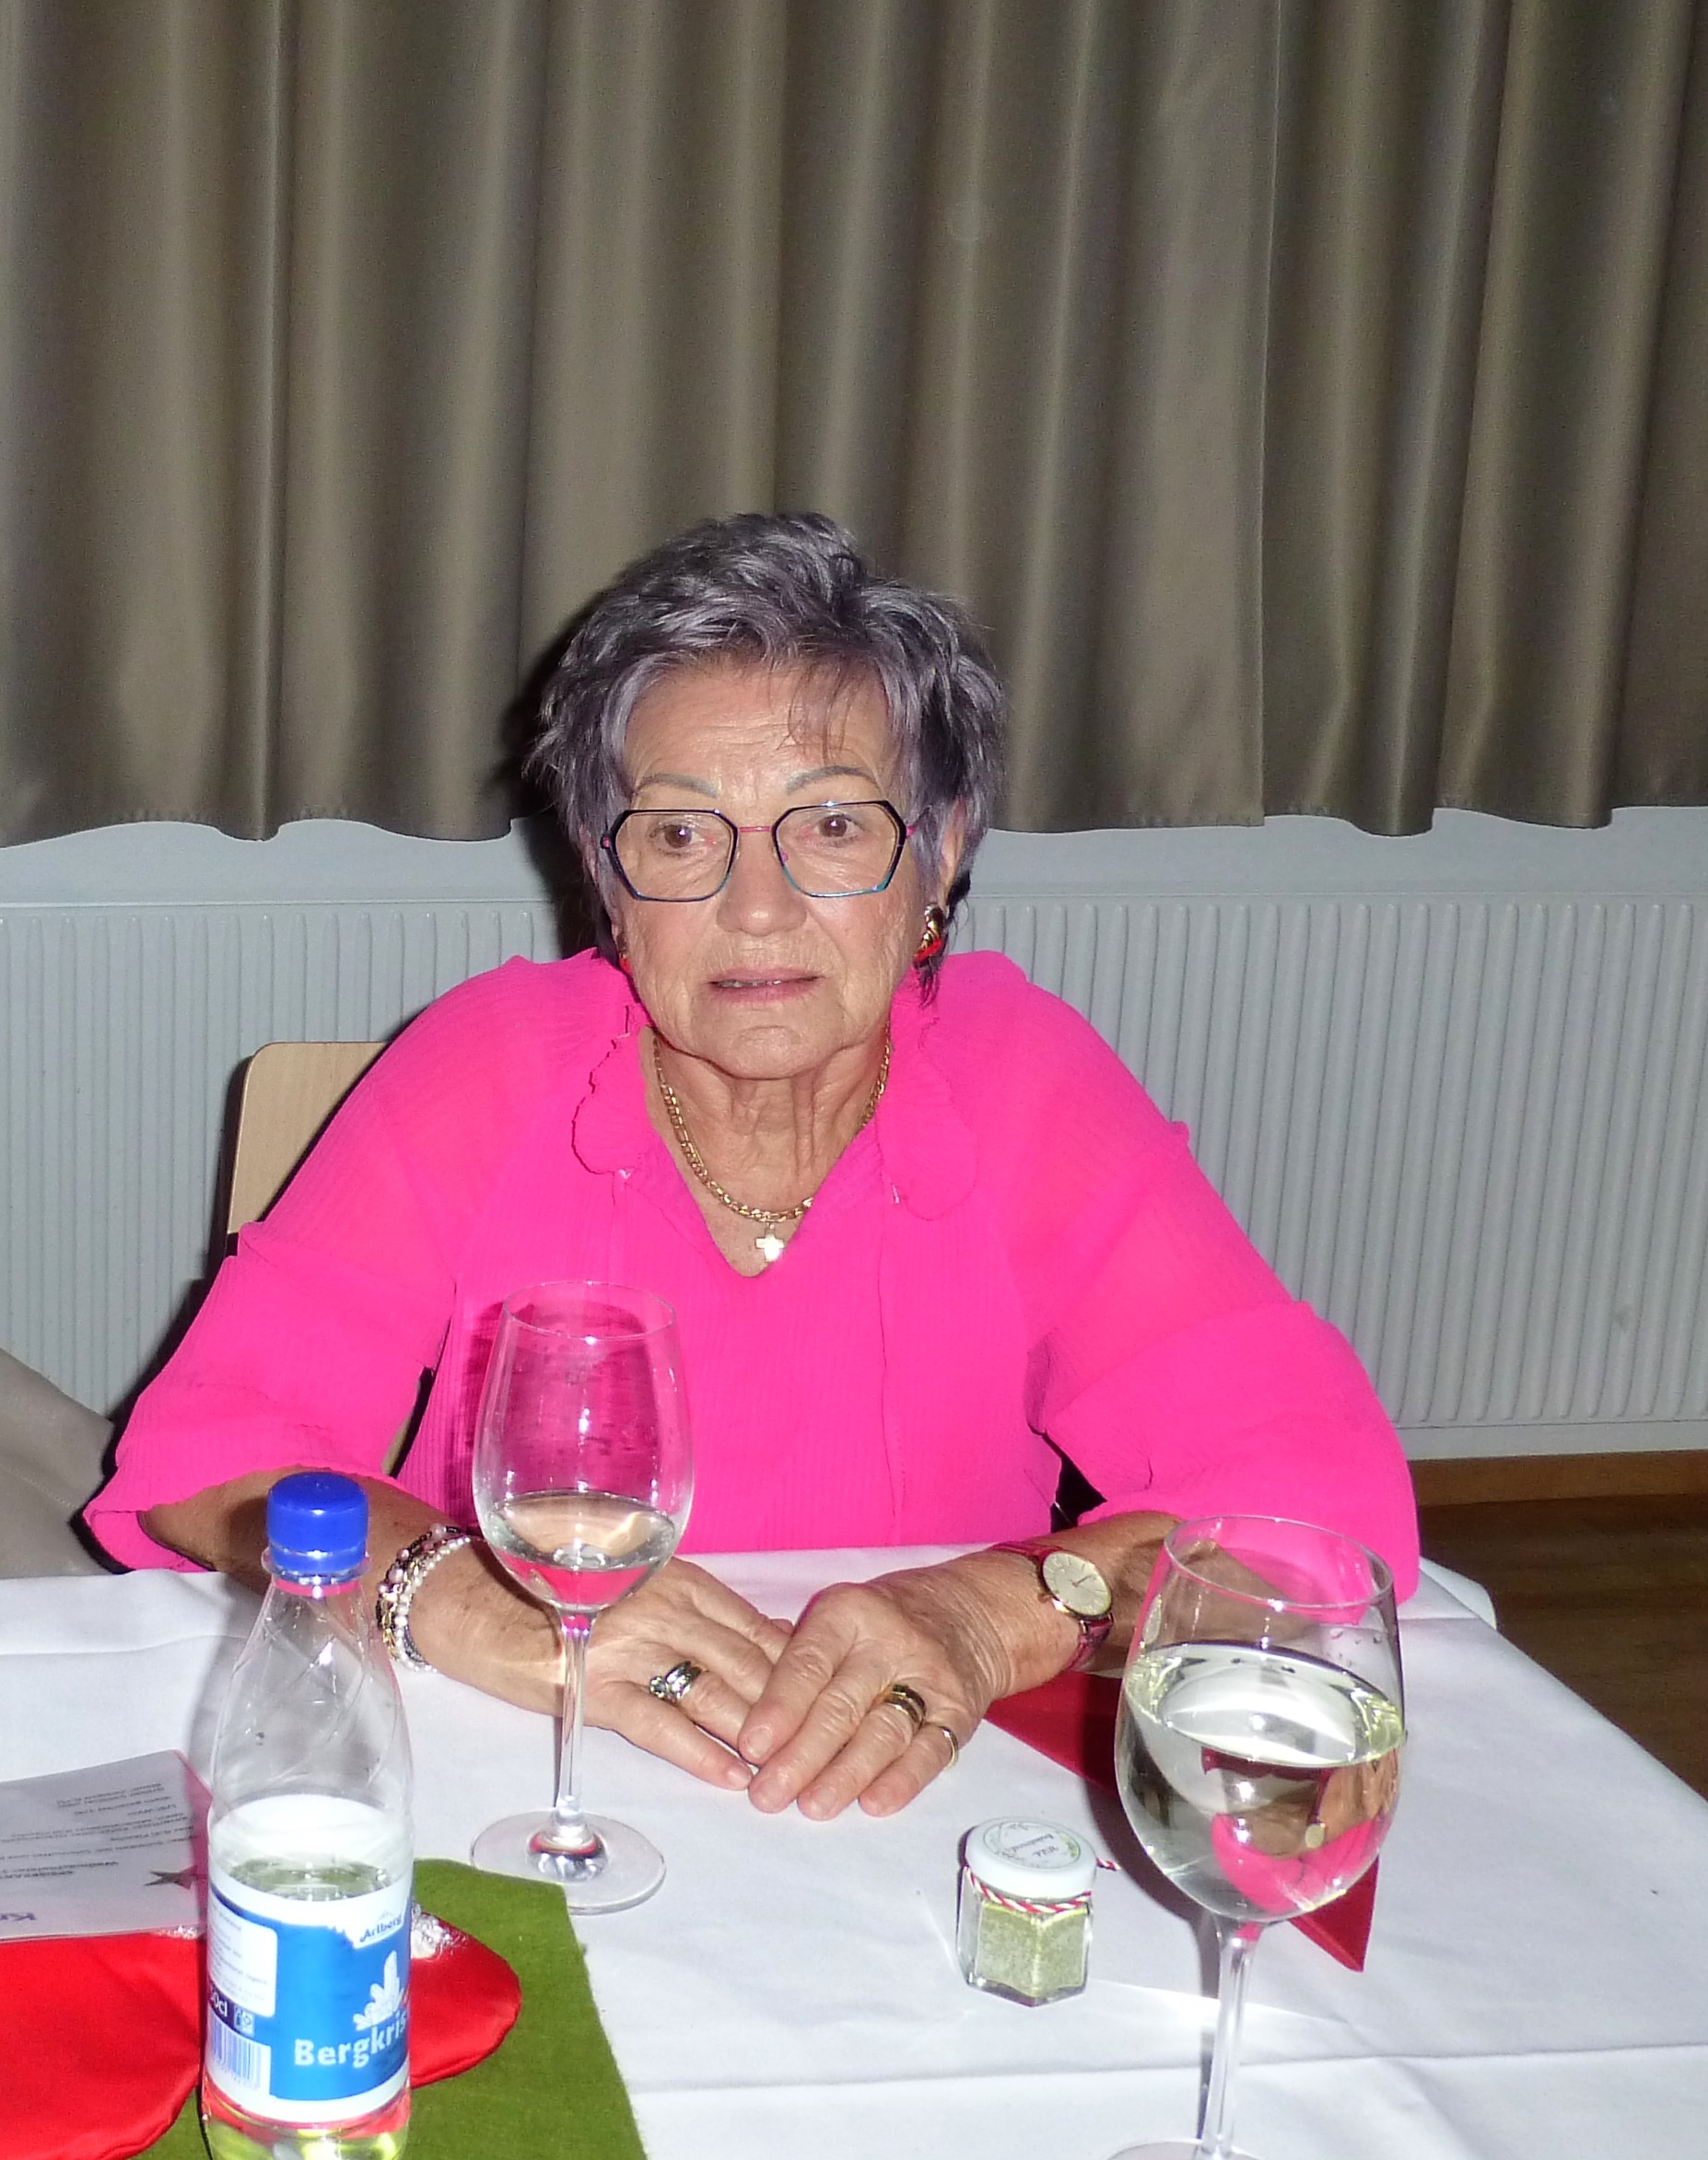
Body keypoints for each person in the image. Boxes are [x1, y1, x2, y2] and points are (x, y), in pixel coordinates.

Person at [88, 511, 1417, 1823]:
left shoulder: (1025, 1085)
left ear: (941, 850)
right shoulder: (484, 1068)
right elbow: (206, 1455)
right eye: (680, 835)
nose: (756, 906)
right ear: (606, 875)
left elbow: (1314, 1499)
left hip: (910, 1803)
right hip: (522, 1771)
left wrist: (992, 1612)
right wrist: (446, 1589)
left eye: (832, 825)